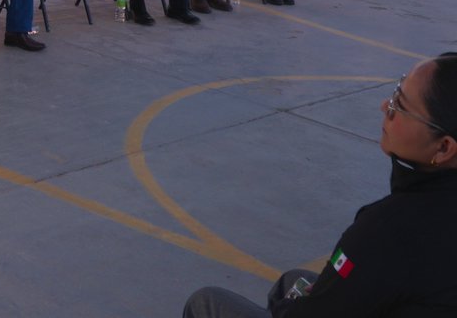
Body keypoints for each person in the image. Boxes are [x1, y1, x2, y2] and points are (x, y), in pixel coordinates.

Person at [183, 54, 457, 317]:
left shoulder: (388, 229)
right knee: (292, 283)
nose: (386, 106)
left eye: (401, 105)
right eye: (396, 91)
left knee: (205, 303)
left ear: (444, 147)